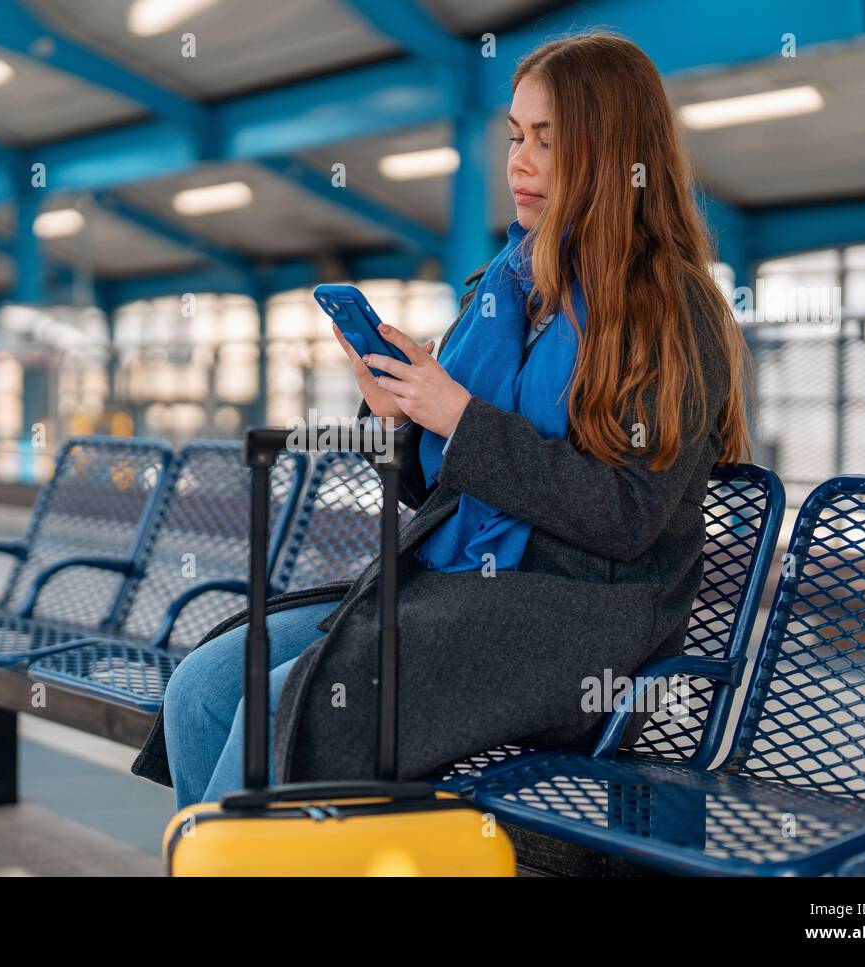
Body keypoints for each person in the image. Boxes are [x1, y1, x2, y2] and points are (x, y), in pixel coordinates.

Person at [133, 32, 751, 808]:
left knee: (278, 712)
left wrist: (460, 418)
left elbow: (627, 518)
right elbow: (437, 495)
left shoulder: (671, 310)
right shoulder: (506, 291)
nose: (520, 163)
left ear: (612, 152)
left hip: (581, 627)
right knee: (204, 687)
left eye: (550, 142)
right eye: (516, 136)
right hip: (456, 591)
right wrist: (400, 417)